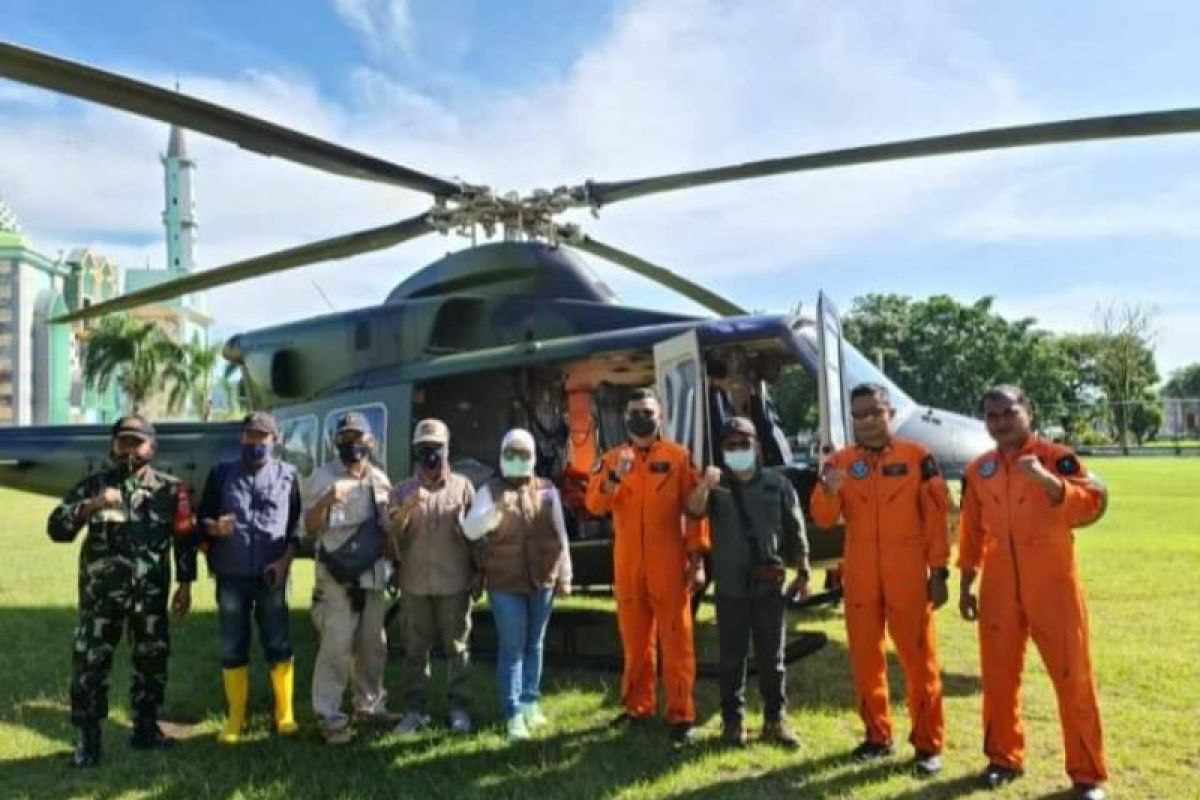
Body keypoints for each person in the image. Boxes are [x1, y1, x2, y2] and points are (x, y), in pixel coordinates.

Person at [958, 385, 1109, 800]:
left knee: (1072, 676)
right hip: (999, 582)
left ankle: (1087, 774)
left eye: (1009, 412)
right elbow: (972, 530)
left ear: (1029, 411)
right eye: (992, 416)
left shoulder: (1056, 457)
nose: (1001, 422)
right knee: (999, 675)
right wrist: (967, 581)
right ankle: (1003, 758)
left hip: (1053, 581)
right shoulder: (979, 470)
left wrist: (1051, 484)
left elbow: (1092, 504)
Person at [809, 383, 951, 776]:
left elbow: (936, 521)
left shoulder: (918, 458)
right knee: (865, 659)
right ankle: (876, 735)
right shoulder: (839, 463)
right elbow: (821, 519)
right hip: (860, 576)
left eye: (875, 412)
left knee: (919, 660)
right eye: (860, 415)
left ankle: (927, 744)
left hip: (907, 573)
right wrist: (828, 490)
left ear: (889, 413)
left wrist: (938, 572)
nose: (868, 421)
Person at [46, 415, 194, 768]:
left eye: (136, 442)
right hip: (101, 601)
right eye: (123, 441)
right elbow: (57, 528)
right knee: (89, 668)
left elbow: (184, 541)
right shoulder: (93, 486)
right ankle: (87, 740)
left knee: (151, 663)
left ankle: (146, 728)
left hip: (150, 598)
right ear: (112, 446)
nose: (129, 449)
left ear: (152, 447)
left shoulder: (171, 490)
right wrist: (93, 505)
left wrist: (185, 585)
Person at [585, 388, 709, 745]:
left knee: (676, 641)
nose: (641, 418)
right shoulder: (611, 459)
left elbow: (695, 512)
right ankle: (638, 707)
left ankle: (681, 715)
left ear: (660, 417)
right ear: (625, 419)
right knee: (635, 643)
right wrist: (615, 478)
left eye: (647, 411)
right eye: (634, 412)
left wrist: (697, 559)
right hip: (627, 566)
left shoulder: (678, 457)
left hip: (669, 563)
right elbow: (594, 504)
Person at [686, 417, 810, 748]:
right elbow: (693, 513)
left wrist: (804, 570)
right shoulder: (718, 488)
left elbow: (795, 528)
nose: (738, 451)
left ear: (756, 446)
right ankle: (732, 722)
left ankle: (775, 720)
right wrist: (703, 485)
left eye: (744, 444)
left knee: (773, 658)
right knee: (732, 659)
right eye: (731, 446)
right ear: (722, 450)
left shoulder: (777, 484)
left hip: (769, 585)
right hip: (730, 587)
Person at [196, 411, 301, 743]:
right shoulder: (221, 474)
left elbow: (295, 527)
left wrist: (285, 562)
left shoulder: (289, 476)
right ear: (241, 438)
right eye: (249, 437)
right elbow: (200, 518)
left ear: (275, 440)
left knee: (278, 642)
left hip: (272, 575)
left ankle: (284, 714)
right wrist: (214, 527)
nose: (255, 443)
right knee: (232, 645)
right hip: (231, 576)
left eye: (262, 437)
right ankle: (236, 718)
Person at [462, 428, 573, 741]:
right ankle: (512, 714)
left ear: (533, 457)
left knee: (535, 643)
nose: (517, 459)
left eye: (523, 453)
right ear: (501, 456)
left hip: (544, 578)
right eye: (511, 453)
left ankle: (530, 702)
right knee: (512, 647)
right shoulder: (490, 490)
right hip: (505, 582)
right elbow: (470, 530)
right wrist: (491, 516)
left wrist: (566, 575)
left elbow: (560, 534)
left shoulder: (548, 489)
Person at [303, 411, 393, 744]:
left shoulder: (381, 480)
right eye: (345, 439)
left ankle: (370, 705)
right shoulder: (322, 477)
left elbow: (387, 529)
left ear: (370, 441)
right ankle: (330, 717)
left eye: (358, 438)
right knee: (336, 647)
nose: (352, 444)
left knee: (373, 645)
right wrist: (326, 500)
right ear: (336, 442)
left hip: (371, 575)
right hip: (335, 578)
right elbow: (309, 528)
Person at [387, 418, 477, 735]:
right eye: (424, 449)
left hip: (455, 582)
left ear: (447, 449)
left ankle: (459, 708)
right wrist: (409, 506)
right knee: (414, 651)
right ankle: (415, 710)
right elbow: (391, 530)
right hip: (414, 584)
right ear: (415, 451)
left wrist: (478, 573)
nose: (430, 455)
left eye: (436, 448)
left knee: (459, 648)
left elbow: (476, 535)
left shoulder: (463, 486)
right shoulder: (401, 490)